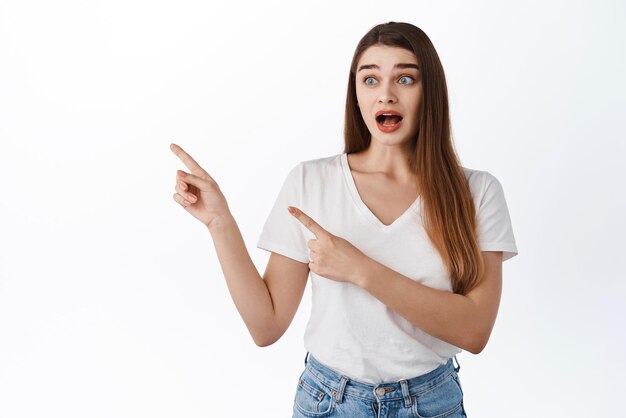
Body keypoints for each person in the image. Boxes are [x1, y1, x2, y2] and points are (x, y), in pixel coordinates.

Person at [170, 21, 517, 418]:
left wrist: (361, 270)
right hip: (329, 403)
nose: (385, 94)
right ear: (356, 93)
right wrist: (219, 222)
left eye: (405, 78)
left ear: (430, 91)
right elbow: (266, 327)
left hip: (431, 404)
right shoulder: (311, 181)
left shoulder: (478, 192)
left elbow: (474, 332)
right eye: (370, 80)